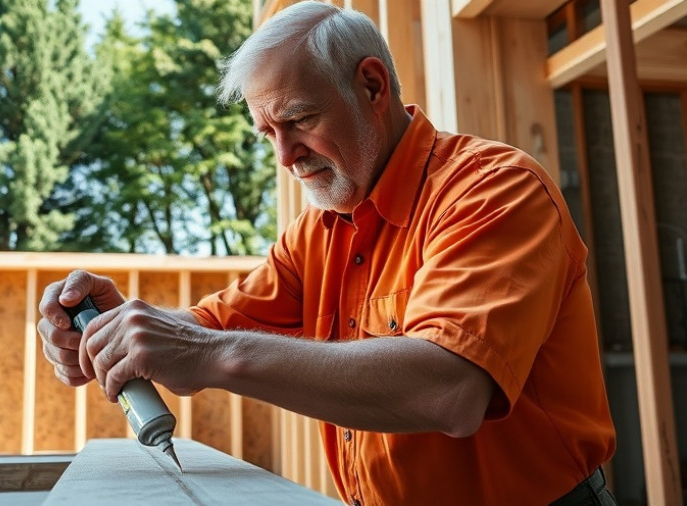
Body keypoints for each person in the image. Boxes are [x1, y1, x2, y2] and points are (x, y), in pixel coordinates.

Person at [37, 2, 617, 504]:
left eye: (299, 120)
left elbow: (450, 388)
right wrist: (116, 332)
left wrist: (206, 352)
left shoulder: (494, 190)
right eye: (267, 133)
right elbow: (204, 331)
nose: (285, 157)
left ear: (372, 86)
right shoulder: (315, 235)